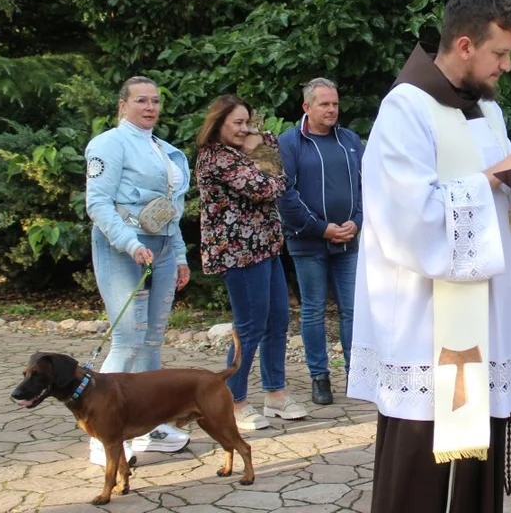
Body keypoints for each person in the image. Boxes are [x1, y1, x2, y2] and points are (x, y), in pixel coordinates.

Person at [347, 0, 511, 513]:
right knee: (421, 470)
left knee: (478, 461)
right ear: (466, 45)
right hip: (428, 327)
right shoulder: (405, 108)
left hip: (485, 321)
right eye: (500, 53)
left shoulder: (486, 112)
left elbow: (499, 208)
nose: (507, 66)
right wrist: (492, 178)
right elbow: (406, 216)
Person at [84, 76, 191, 466]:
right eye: (142, 101)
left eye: (156, 101)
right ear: (123, 105)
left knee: (151, 341)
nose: (150, 107)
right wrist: (130, 244)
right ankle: (103, 434)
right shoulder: (109, 144)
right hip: (122, 247)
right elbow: (97, 203)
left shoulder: (161, 147)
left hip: (161, 247)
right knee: (128, 340)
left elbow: (171, 210)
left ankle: (150, 424)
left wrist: (179, 256)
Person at [197, 95, 306, 431]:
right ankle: (234, 400)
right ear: (219, 124)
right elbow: (267, 187)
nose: (245, 129)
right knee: (249, 326)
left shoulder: (244, 150)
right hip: (238, 252)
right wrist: (263, 157)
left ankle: (275, 394)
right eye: (237, 124)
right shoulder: (215, 158)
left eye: (248, 122)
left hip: (266, 246)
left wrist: (260, 146)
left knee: (278, 319)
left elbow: (273, 158)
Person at [277, 78, 364, 406]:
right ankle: (319, 377)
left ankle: (358, 375)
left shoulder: (350, 140)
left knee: (353, 310)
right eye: (324, 104)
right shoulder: (288, 142)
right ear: (307, 107)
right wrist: (321, 228)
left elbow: (365, 184)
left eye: (335, 104)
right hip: (307, 242)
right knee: (313, 310)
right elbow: (284, 194)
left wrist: (357, 221)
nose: (331, 110)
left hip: (349, 240)